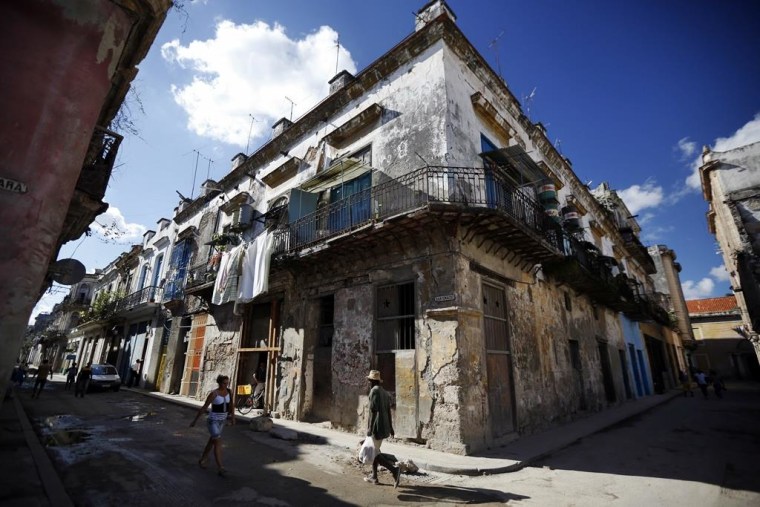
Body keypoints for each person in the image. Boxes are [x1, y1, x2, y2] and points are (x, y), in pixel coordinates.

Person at [191, 375, 235, 476]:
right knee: (218, 442)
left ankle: (202, 458)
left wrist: (233, 418)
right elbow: (204, 407)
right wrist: (195, 421)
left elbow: (232, 405)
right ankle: (220, 467)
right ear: (219, 383)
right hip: (213, 421)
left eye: (227, 383)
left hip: (222, 422)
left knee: (212, 442)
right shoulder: (214, 394)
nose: (226, 385)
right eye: (224, 383)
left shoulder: (229, 392)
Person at [364, 369, 401, 488]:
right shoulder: (385, 393)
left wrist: (370, 428)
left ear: (371, 381)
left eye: (369, 380)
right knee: (375, 451)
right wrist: (391, 427)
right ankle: (374, 477)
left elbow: (373, 411)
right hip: (384, 426)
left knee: (374, 453)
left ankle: (394, 470)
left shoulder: (374, 391)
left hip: (377, 426)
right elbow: (388, 411)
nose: (369, 382)